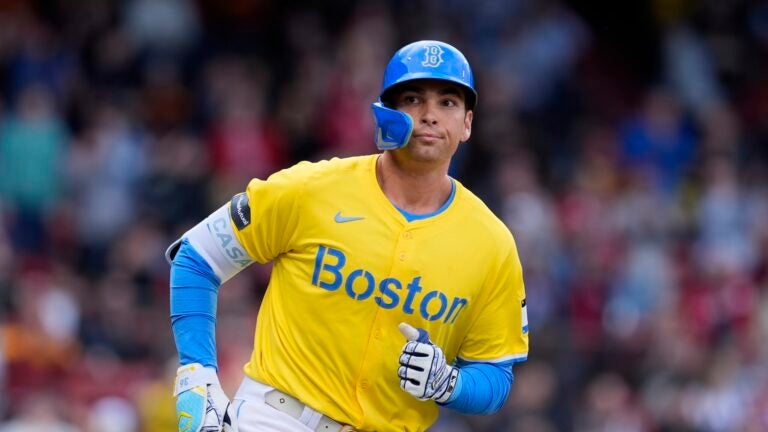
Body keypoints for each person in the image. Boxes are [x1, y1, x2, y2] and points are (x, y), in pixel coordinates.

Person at [167, 40, 529, 432]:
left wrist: (449, 383)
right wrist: (197, 376)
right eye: (412, 99)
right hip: (275, 417)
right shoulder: (313, 188)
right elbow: (198, 257)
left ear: (468, 123)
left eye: (447, 103)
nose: (429, 115)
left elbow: (496, 375)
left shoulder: (492, 244)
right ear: (386, 112)